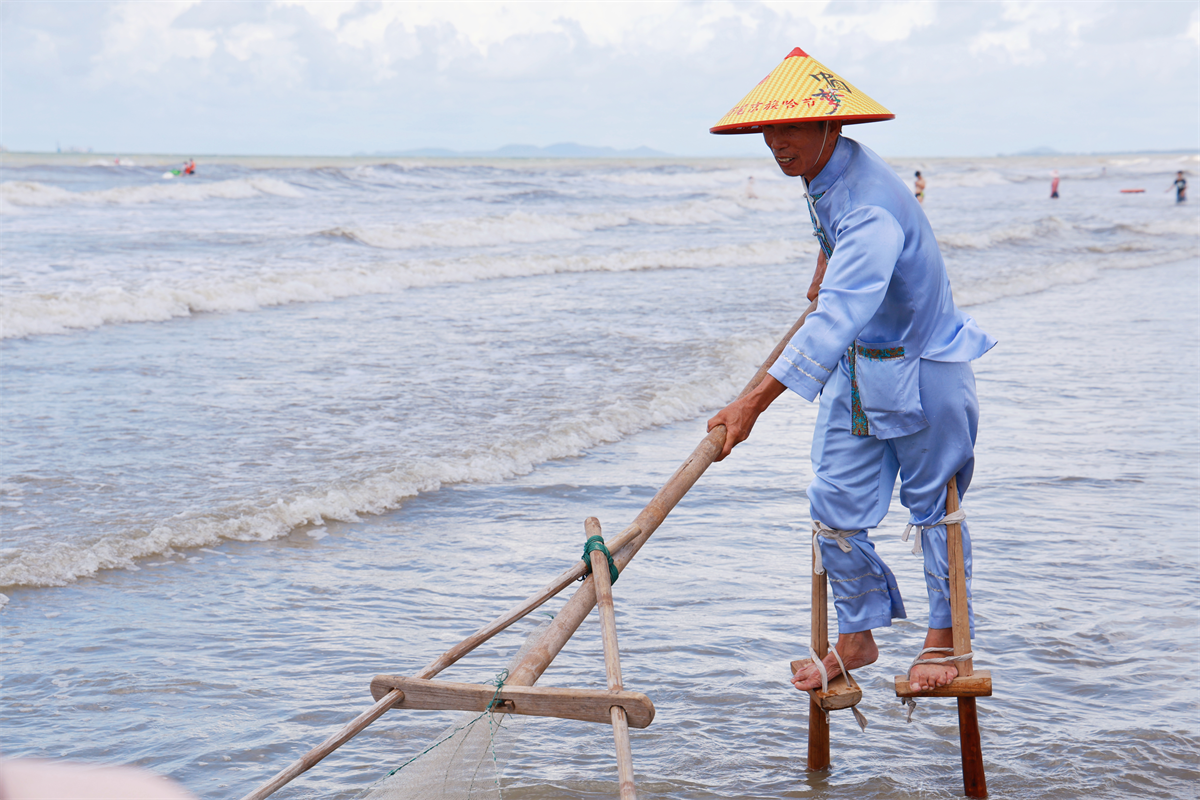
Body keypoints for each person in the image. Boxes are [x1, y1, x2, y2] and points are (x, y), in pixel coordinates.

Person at [708, 47, 996, 694]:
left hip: (923, 367)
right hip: (862, 368)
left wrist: (751, 405)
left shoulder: (870, 209)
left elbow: (834, 318)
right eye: (768, 131)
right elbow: (833, 242)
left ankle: (945, 638)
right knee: (833, 501)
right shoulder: (824, 174)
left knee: (935, 508)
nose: (777, 144)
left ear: (830, 126)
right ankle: (857, 634)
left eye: (791, 129)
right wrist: (825, 258)